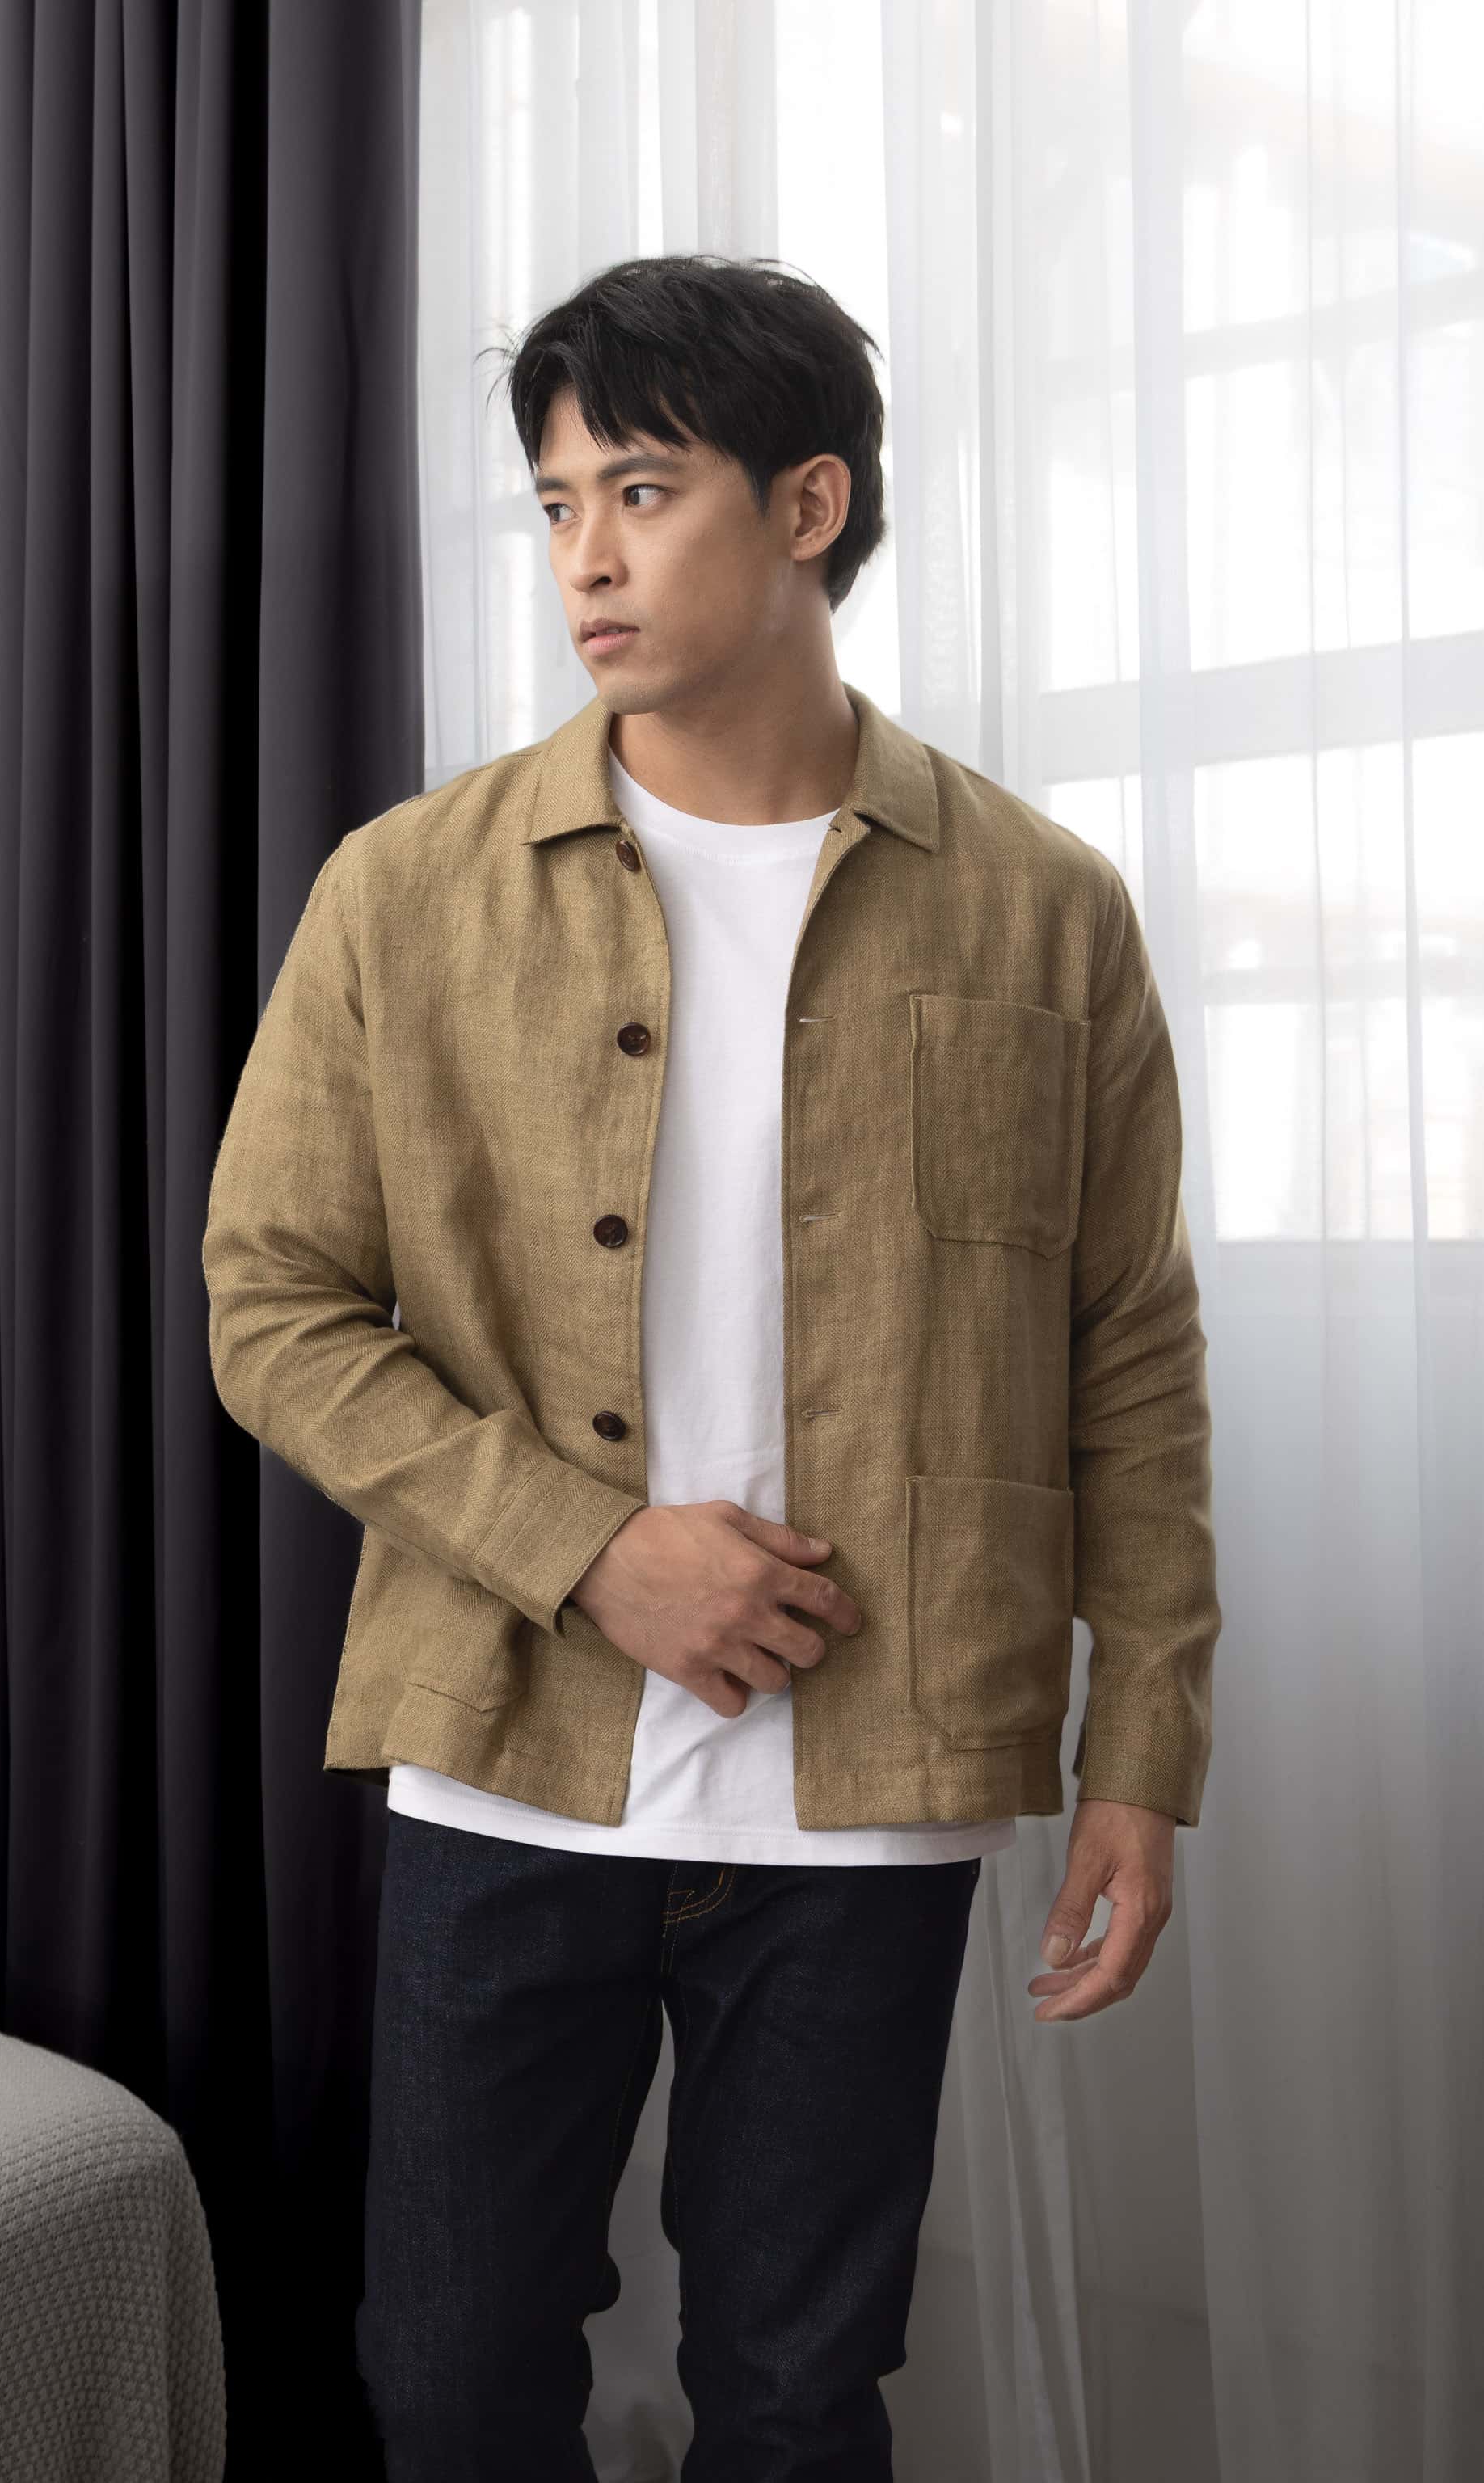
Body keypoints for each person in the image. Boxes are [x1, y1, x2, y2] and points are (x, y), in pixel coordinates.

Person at [202, 251, 1221, 2481]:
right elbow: (270, 1305)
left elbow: (1123, 1352)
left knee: (795, 2385)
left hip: (872, 1776)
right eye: (554, 497)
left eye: (641, 488)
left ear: (807, 505)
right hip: (508, 1750)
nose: (582, 550)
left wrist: (1140, 1739)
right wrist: (593, 1557)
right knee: (449, 2374)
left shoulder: (1042, 909)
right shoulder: (408, 889)